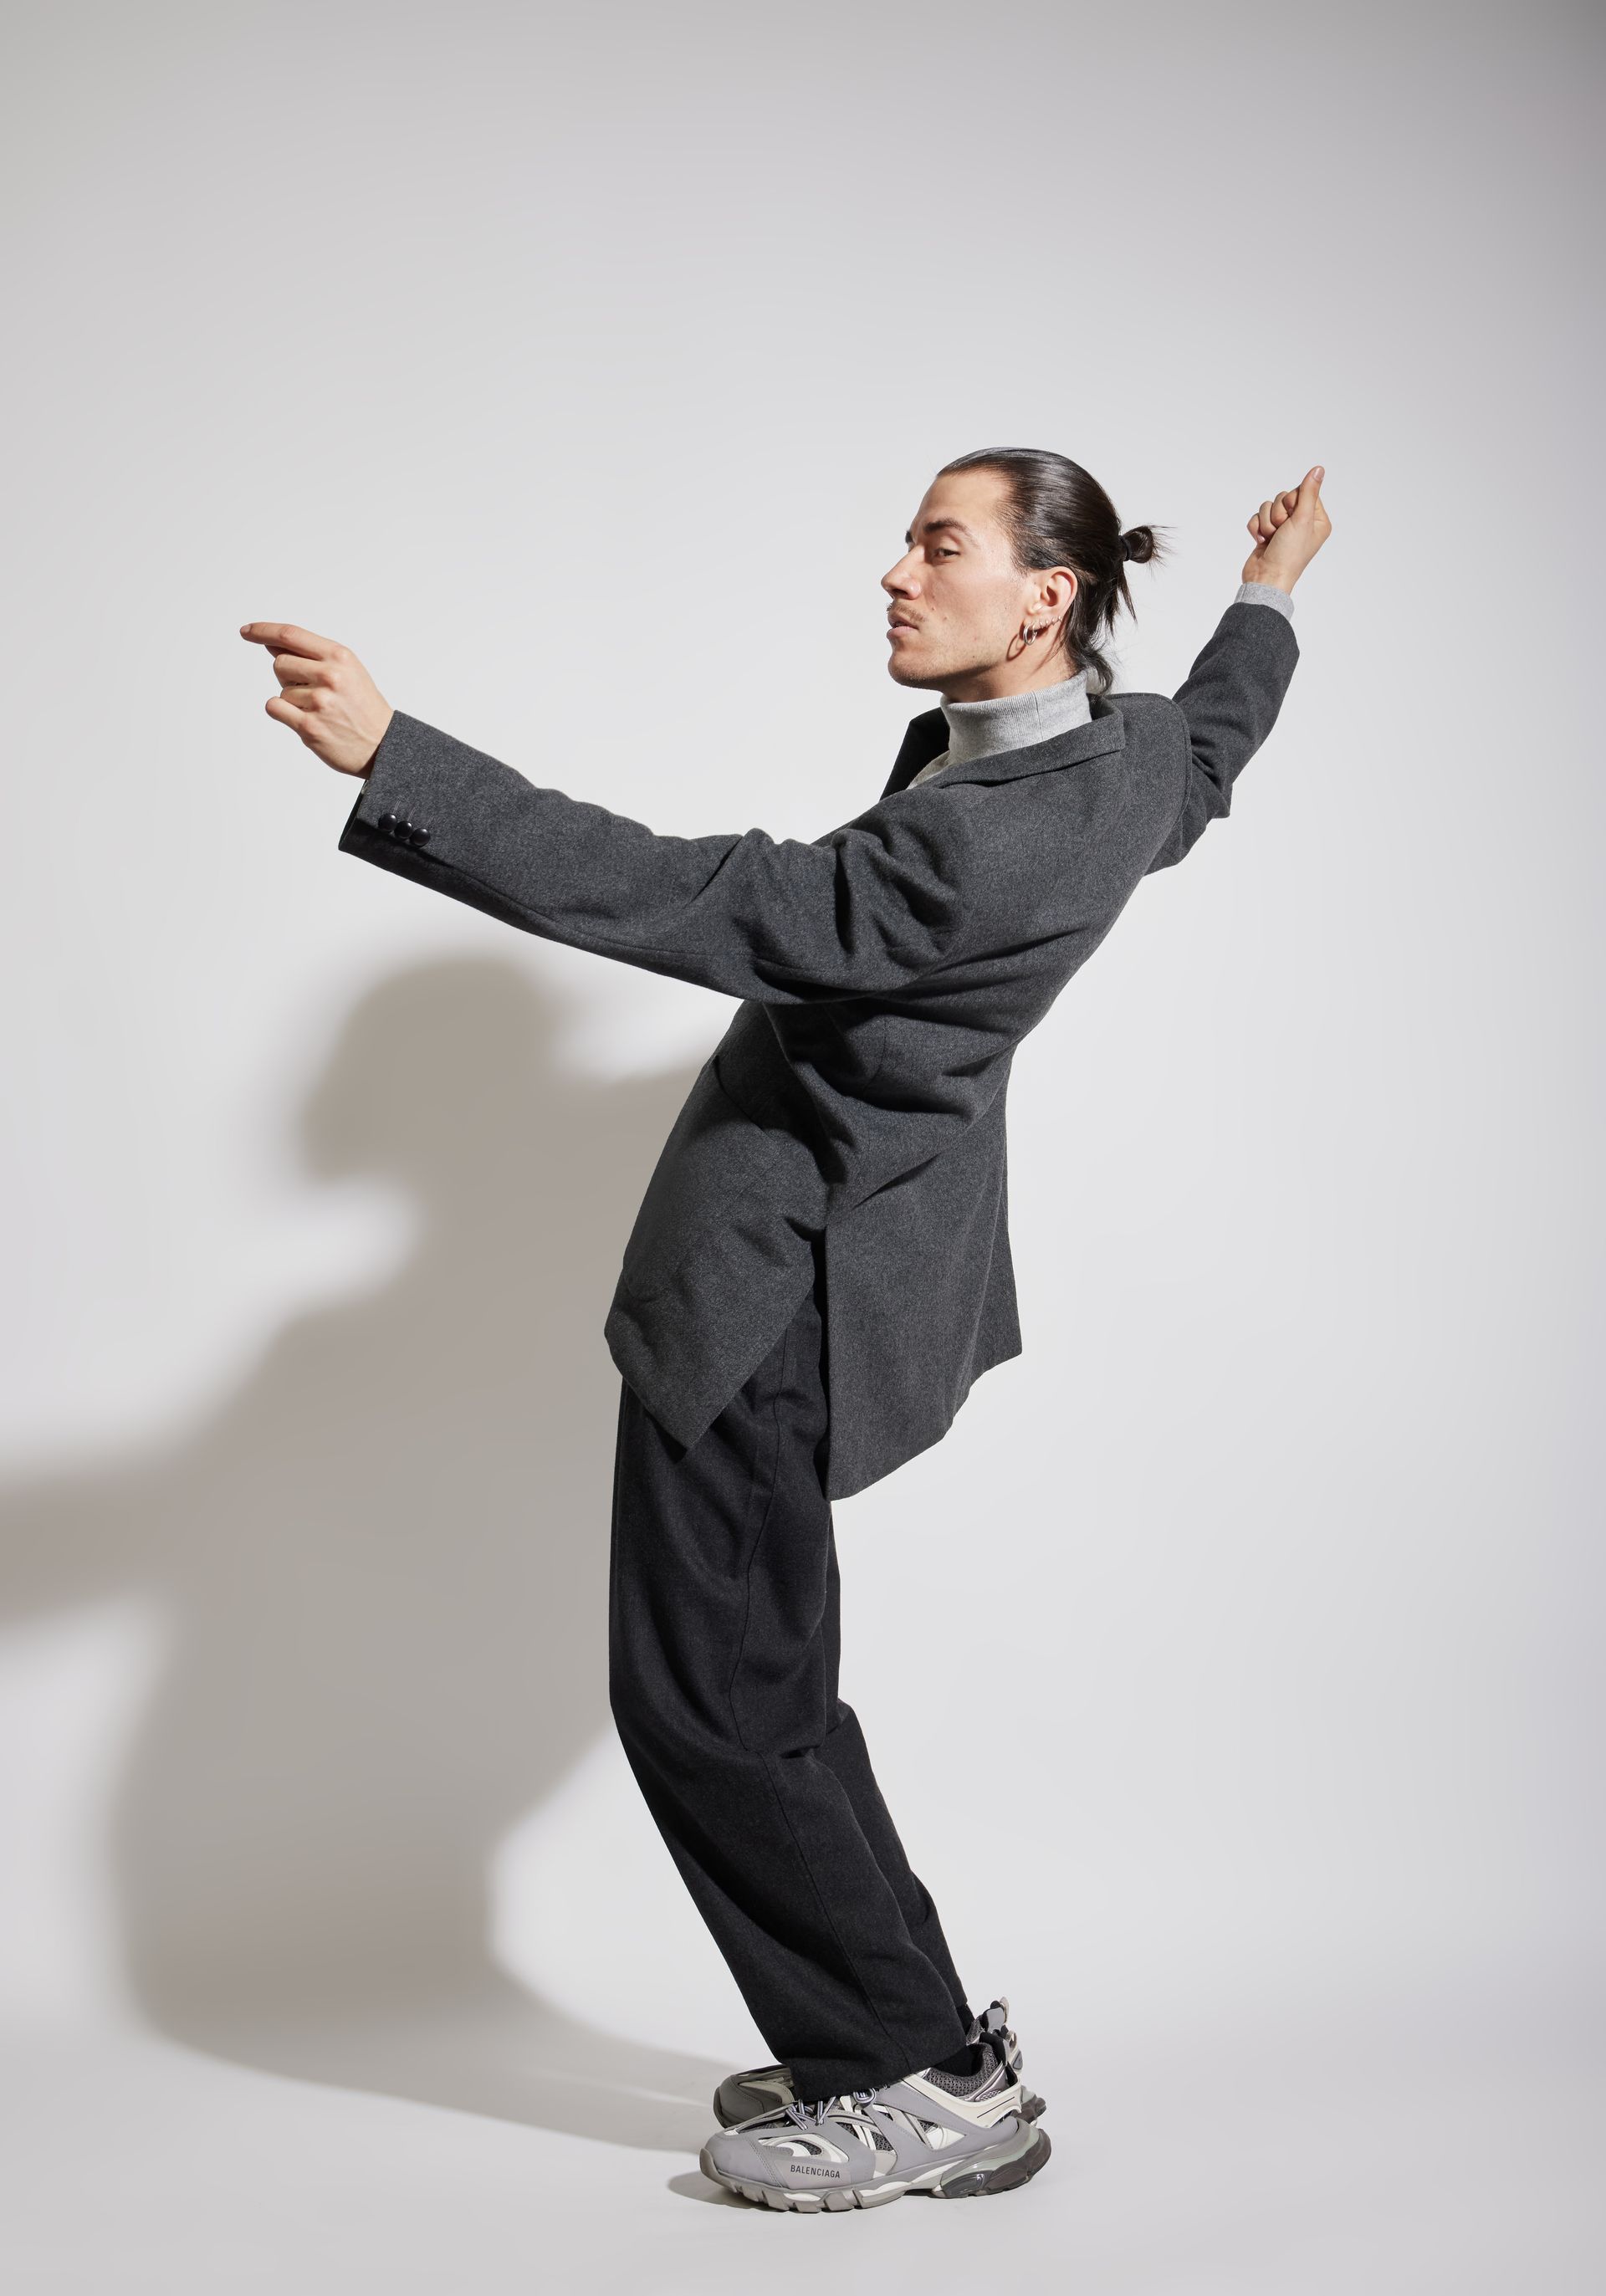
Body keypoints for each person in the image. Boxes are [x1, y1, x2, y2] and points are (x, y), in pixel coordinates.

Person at [240, 449, 1330, 2211]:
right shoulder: (1122, 757)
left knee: (712, 1708)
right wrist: (1272, 588)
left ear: (1044, 597)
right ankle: (912, 2043)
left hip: (776, 1290)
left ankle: (910, 2077)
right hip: (840, 1266)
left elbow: (705, 895)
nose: (896, 570)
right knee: (768, 1693)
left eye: (940, 544)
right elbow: (1219, 738)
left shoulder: (981, 839)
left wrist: (399, 757)